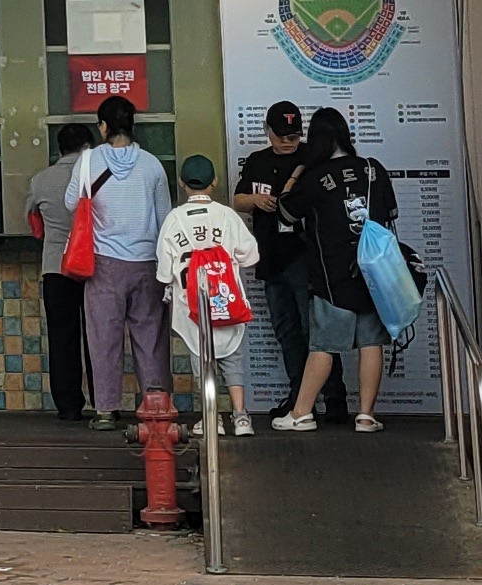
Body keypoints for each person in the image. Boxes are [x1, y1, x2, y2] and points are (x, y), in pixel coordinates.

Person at [271, 108, 401, 436]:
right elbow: (390, 213)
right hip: (374, 271)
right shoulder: (373, 168)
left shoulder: (316, 177)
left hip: (332, 276)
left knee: (323, 346)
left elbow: (286, 212)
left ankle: (301, 413)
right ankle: (366, 416)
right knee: (371, 343)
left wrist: (296, 174)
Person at [67, 96, 172, 430]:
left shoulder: (87, 161)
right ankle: (155, 405)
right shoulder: (152, 165)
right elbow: (165, 218)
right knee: (151, 338)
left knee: (104, 339)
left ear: (103, 127)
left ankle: (106, 410)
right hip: (147, 262)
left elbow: (71, 202)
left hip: (104, 264)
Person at [157, 155, 259, 438]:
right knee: (233, 360)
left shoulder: (174, 219)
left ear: (181, 183)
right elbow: (251, 255)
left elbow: (164, 273)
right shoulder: (227, 216)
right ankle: (241, 417)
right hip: (227, 300)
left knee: (202, 360)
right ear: (214, 182)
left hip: (191, 307)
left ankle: (211, 418)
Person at [233, 102, 318, 422]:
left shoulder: (311, 157)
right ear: (267, 131)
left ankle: (333, 397)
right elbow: (238, 200)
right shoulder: (258, 161)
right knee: (286, 331)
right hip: (270, 257)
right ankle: (299, 398)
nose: (287, 142)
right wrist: (257, 201)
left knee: (315, 332)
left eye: (293, 136)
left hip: (304, 255)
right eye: (281, 135)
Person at [26, 123, 95, 423]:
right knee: (98, 336)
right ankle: (104, 402)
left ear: (60, 148)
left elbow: (33, 221)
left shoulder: (40, 180)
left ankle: (68, 405)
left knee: (62, 337)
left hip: (55, 267)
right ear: (88, 147)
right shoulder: (97, 174)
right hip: (94, 265)